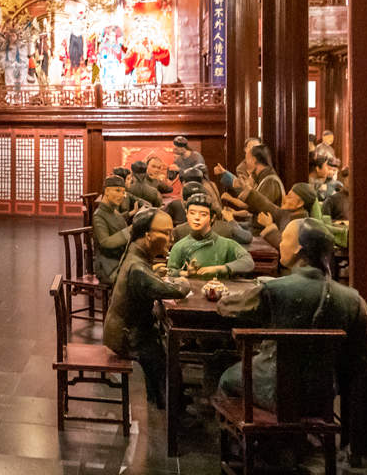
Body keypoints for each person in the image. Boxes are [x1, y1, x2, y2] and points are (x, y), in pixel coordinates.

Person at [215, 218, 367, 414]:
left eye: (285, 238)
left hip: (272, 386)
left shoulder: (274, 289)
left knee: (227, 379)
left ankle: (251, 438)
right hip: (322, 393)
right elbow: (362, 360)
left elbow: (228, 308)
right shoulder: (354, 300)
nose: (280, 243)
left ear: (299, 248)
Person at [102, 208, 191, 408]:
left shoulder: (135, 253)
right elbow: (175, 290)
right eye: (166, 233)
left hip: (130, 331)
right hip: (128, 337)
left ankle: (162, 399)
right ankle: (172, 410)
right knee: (167, 362)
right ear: (147, 236)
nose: (171, 238)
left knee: (163, 352)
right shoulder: (138, 268)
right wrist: (184, 281)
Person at [167, 194, 255, 277]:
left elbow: (248, 262)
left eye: (203, 214)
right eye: (192, 213)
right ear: (186, 214)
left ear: (212, 218)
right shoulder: (180, 246)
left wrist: (222, 269)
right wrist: (186, 273)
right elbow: (170, 271)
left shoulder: (226, 244)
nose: (197, 217)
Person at [92, 175, 131, 285]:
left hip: (120, 262)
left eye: (123, 192)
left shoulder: (116, 213)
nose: (121, 195)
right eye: (117, 190)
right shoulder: (98, 215)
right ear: (107, 191)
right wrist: (130, 230)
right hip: (107, 267)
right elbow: (105, 242)